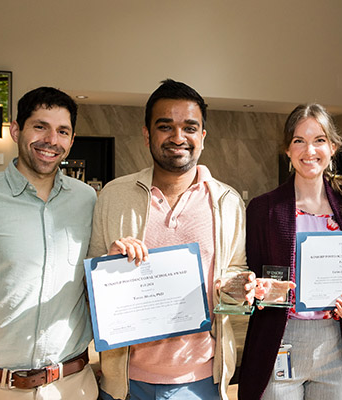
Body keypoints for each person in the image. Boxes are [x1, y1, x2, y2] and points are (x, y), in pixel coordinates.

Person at [89, 79, 254, 400]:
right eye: (165, 126)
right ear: (147, 133)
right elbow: (89, 291)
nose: (178, 137)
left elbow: (234, 281)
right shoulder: (114, 196)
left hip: (200, 380)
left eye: (190, 127)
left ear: (202, 137)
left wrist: (238, 288)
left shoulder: (227, 201)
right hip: (125, 382)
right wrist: (108, 267)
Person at [0, 87, 98, 399]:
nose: (51, 140)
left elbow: (93, 280)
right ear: (16, 130)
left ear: (71, 141)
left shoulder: (87, 199)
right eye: (40, 126)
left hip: (72, 386)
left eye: (62, 131)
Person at [238, 103, 342, 400]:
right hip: (280, 340)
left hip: (336, 343)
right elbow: (249, 276)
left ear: (333, 147)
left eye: (319, 140)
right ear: (287, 150)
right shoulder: (263, 209)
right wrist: (258, 289)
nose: (310, 150)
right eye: (299, 141)